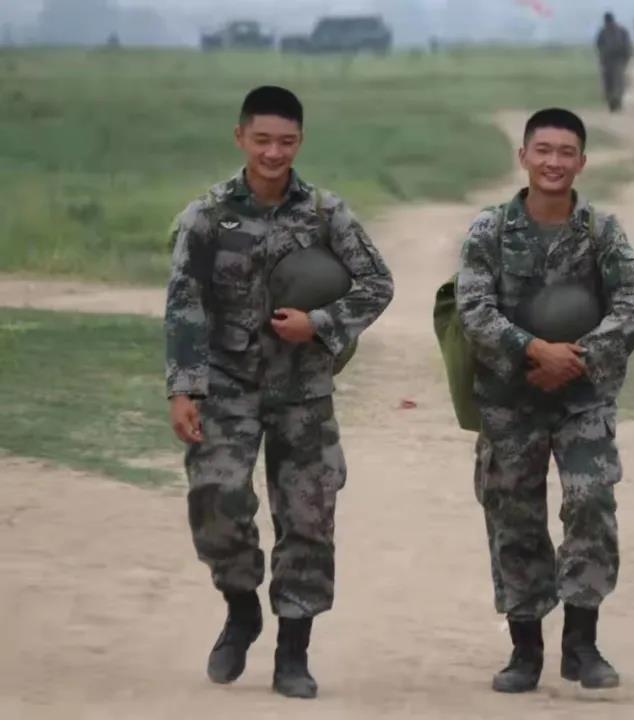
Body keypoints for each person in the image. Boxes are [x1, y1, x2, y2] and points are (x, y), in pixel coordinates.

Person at [164, 86, 394, 699]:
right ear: (240, 137)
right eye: (262, 140)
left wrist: (319, 324)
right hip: (226, 385)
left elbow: (377, 283)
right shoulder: (207, 217)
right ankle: (242, 607)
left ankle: (294, 652)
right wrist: (183, 390)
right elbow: (184, 305)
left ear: (300, 142)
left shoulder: (326, 214)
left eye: (286, 142)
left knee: (308, 518)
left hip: (303, 389)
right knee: (215, 498)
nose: (273, 153)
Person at [455, 108, 634, 693]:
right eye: (543, 150)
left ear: (582, 162)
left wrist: (576, 358)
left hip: (583, 398)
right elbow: (473, 310)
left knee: (591, 503)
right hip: (510, 399)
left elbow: (632, 306)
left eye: (566, 153)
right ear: (524, 156)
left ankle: (582, 644)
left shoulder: (602, 232)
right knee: (513, 515)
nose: (554, 162)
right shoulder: (490, 231)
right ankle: (525, 650)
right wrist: (534, 351)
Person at [595, 12, 633, 112]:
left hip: (616, 60)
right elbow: (599, 45)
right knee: (612, 82)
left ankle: (616, 102)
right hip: (611, 60)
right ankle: (613, 103)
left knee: (616, 82)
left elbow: (627, 47)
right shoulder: (606, 32)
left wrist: (626, 59)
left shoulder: (614, 31)